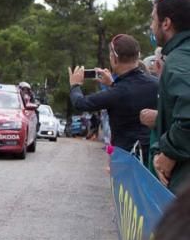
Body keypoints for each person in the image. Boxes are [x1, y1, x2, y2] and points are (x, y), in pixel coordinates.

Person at [68, 34, 158, 166]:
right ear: (138, 56)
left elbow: (80, 103)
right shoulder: (157, 84)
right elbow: (131, 93)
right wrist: (112, 84)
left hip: (126, 159)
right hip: (153, 158)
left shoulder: (116, 93)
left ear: (114, 58)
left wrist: (75, 85)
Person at [150, 0, 190, 192]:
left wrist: (169, 153)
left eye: (153, 19)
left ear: (166, 23)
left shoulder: (179, 61)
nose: (151, 26)